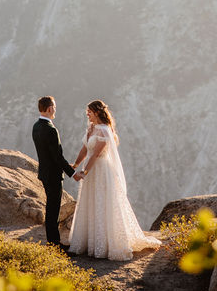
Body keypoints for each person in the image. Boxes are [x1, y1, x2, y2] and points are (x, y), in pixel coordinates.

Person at [68, 99, 161, 260]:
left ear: (96, 112)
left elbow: (96, 154)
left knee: (103, 202)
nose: (87, 114)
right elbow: (85, 149)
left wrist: (84, 171)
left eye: (89, 112)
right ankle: (89, 242)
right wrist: (75, 164)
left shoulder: (104, 131)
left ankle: (105, 244)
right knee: (90, 202)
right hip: (92, 169)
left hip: (101, 170)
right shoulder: (91, 128)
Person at [31, 95, 76, 250]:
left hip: (44, 173)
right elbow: (57, 156)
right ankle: (55, 246)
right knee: (53, 210)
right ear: (50, 108)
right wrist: (73, 172)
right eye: (54, 107)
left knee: (51, 208)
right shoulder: (51, 129)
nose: (55, 110)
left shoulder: (36, 126)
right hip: (53, 175)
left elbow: (48, 154)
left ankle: (53, 243)